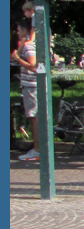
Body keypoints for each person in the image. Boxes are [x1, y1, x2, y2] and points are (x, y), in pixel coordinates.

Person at [13, 19, 39, 162]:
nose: (17, 33)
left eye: (19, 30)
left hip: (31, 85)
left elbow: (33, 66)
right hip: (31, 84)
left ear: (25, 31)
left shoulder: (29, 47)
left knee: (34, 116)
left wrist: (18, 59)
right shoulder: (28, 45)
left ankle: (37, 149)